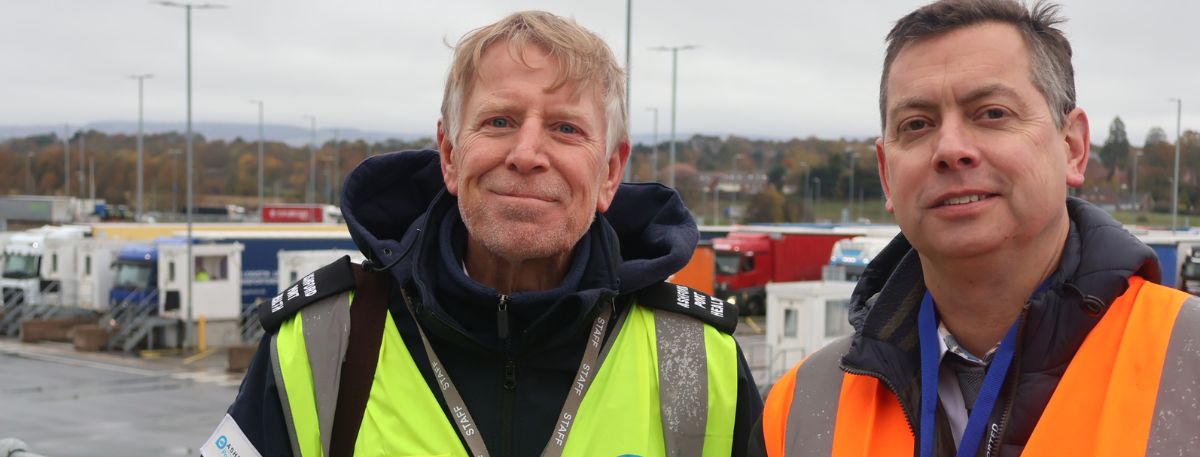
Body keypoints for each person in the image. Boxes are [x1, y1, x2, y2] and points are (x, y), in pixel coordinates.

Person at [203, 11, 762, 457]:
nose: (526, 155)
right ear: (449, 153)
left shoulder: (696, 358)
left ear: (610, 171)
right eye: (499, 121)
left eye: (566, 128)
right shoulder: (324, 342)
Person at [755, 0, 1200, 456]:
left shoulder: (1188, 361)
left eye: (992, 113)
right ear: (887, 175)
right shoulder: (799, 410)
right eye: (917, 124)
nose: (950, 148)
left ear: (1072, 147)